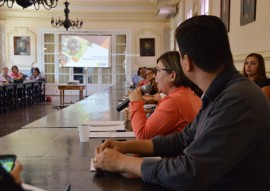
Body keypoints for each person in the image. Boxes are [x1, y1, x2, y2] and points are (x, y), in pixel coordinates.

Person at [93, 15, 270, 190]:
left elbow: (191, 172)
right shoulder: (223, 92)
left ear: (187, 63)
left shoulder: (237, 100)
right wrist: (124, 146)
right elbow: (182, 140)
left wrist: (122, 163)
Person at [128, 51, 201, 139]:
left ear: (172, 76)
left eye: (158, 70)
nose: (155, 76)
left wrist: (136, 103)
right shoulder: (188, 94)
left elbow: (142, 137)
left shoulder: (174, 101)